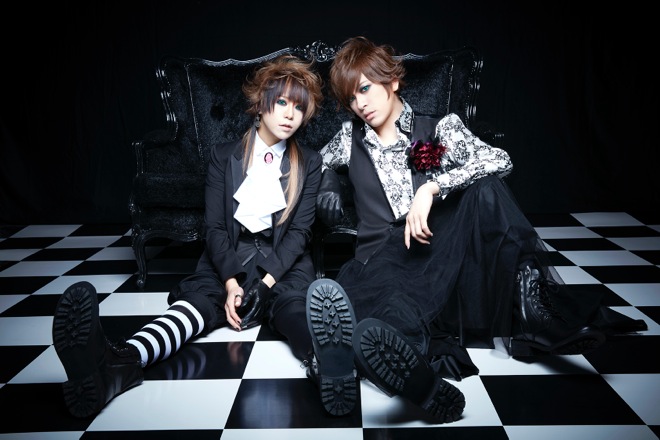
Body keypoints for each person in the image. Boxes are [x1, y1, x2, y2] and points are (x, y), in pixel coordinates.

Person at [314, 36, 647, 423]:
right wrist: (329, 184)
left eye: (365, 89)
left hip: (441, 253)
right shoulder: (348, 138)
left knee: (486, 188)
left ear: (393, 81)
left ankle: (533, 311)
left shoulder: (438, 128)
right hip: (386, 260)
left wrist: (431, 189)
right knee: (374, 322)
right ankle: (412, 372)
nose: (360, 104)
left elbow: (498, 158)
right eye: (351, 98)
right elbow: (317, 163)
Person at [52, 54, 357, 418]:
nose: (290, 115)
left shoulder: (309, 162)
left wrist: (266, 283)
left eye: (299, 107)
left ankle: (326, 363)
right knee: (194, 306)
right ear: (261, 103)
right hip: (228, 258)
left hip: (282, 264)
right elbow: (214, 227)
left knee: (293, 306)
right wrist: (230, 282)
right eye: (282, 103)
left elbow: (300, 234)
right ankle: (118, 363)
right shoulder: (223, 156)